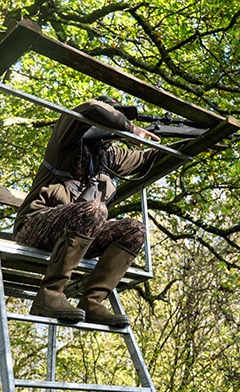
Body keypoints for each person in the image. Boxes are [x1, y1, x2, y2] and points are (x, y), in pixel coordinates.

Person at [13, 95, 161, 327]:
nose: (117, 123)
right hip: (34, 228)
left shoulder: (107, 155)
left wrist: (199, 140)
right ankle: (50, 293)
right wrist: (130, 128)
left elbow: (151, 158)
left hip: (77, 236)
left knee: (134, 229)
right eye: (115, 117)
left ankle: (92, 302)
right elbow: (92, 108)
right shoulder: (66, 139)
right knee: (94, 210)